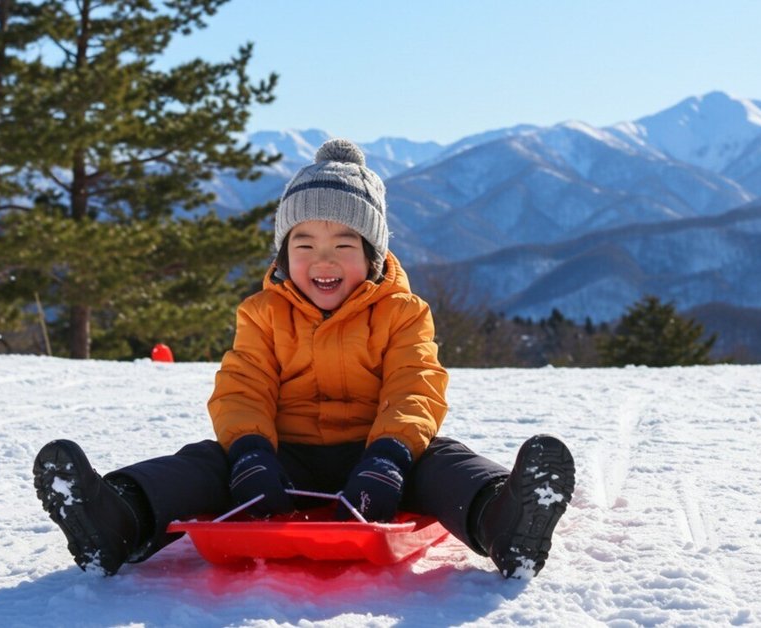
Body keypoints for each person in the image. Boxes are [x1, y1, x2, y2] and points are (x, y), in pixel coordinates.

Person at [33, 139, 575, 579]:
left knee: (445, 462)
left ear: (373, 254)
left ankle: (506, 520)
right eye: (304, 243)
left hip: (378, 459)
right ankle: (116, 516)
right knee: (201, 464)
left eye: (344, 244)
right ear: (283, 254)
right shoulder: (263, 313)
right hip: (280, 459)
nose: (323, 259)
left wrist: (389, 456)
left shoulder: (403, 313)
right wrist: (248, 452)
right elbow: (242, 386)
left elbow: (416, 386)